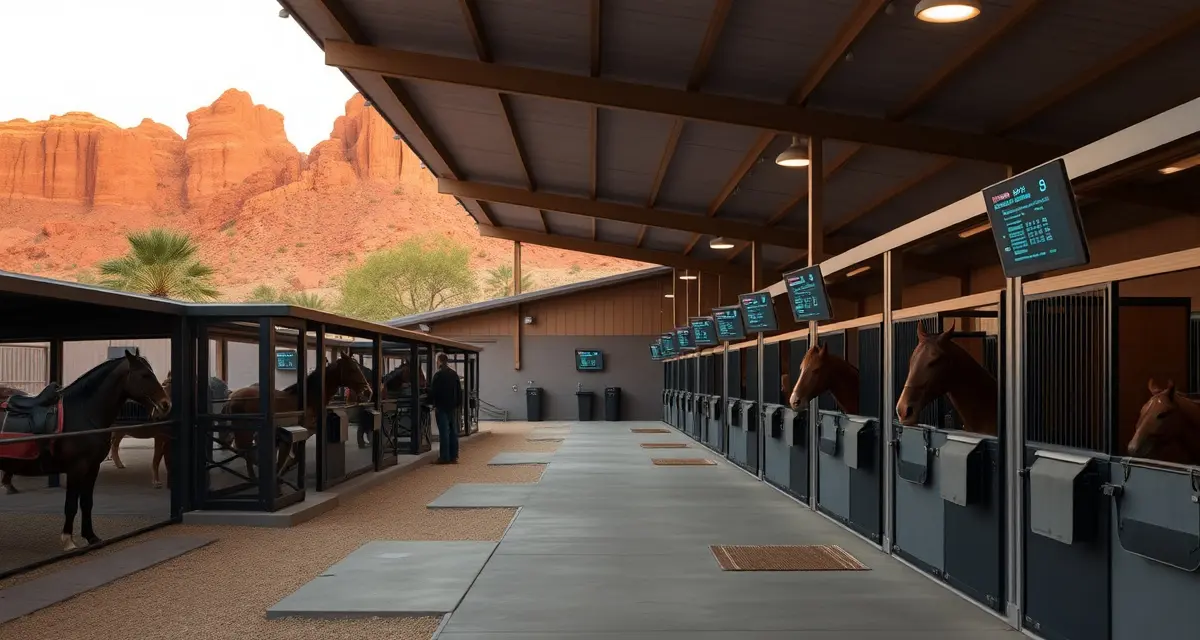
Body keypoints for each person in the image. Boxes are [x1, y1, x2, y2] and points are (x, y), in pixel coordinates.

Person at [430, 353, 461, 464]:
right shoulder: (454, 374)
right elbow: (459, 391)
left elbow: (433, 391)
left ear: (439, 361)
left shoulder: (438, 375)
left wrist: (432, 404)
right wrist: (457, 404)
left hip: (441, 406)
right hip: (452, 407)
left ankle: (444, 457)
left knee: (444, 432)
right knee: (453, 431)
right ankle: (454, 456)